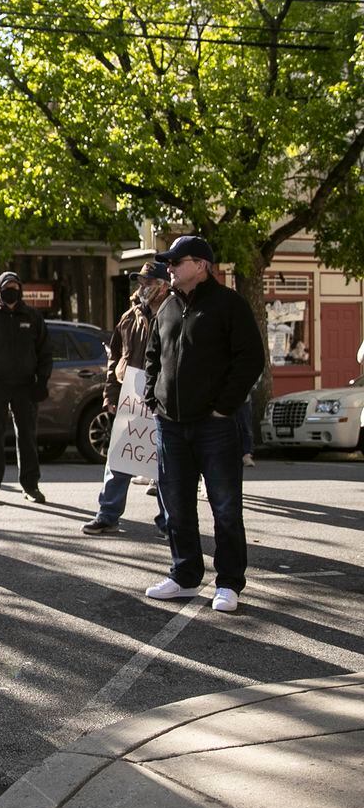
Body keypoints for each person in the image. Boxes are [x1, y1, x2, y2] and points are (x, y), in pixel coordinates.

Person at [143, 235, 265, 614]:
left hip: (214, 425)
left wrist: (223, 407)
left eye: (177, 263)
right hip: (171, 425)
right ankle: (184, 575)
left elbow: (250, 359)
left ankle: (228, 582)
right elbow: (152, 357)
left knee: (225, 506)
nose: (170, 269)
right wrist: (153, 397)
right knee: (176, 505)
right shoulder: (166, 308)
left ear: (200, 265)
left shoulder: (230, 305)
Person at [83, 261, 171, 536]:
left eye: (148, 282)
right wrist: (110, 391)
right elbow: (115, 356)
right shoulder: (130, 316)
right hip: (132, 394)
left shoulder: (174, 312)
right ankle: (107, 515)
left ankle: (169, 522)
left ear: (163, 285)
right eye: (140, 282)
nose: (142, 287)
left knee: (165, 463)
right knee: (119, 457)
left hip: (162, 397)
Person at [0, 272, 51, 503]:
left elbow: (45, 352)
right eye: (7, 286)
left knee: (27, 438)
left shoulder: (33, 316)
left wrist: (41, 381)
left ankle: (30, 486)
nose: (11, 290)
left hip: (25, 386)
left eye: (15, 286)